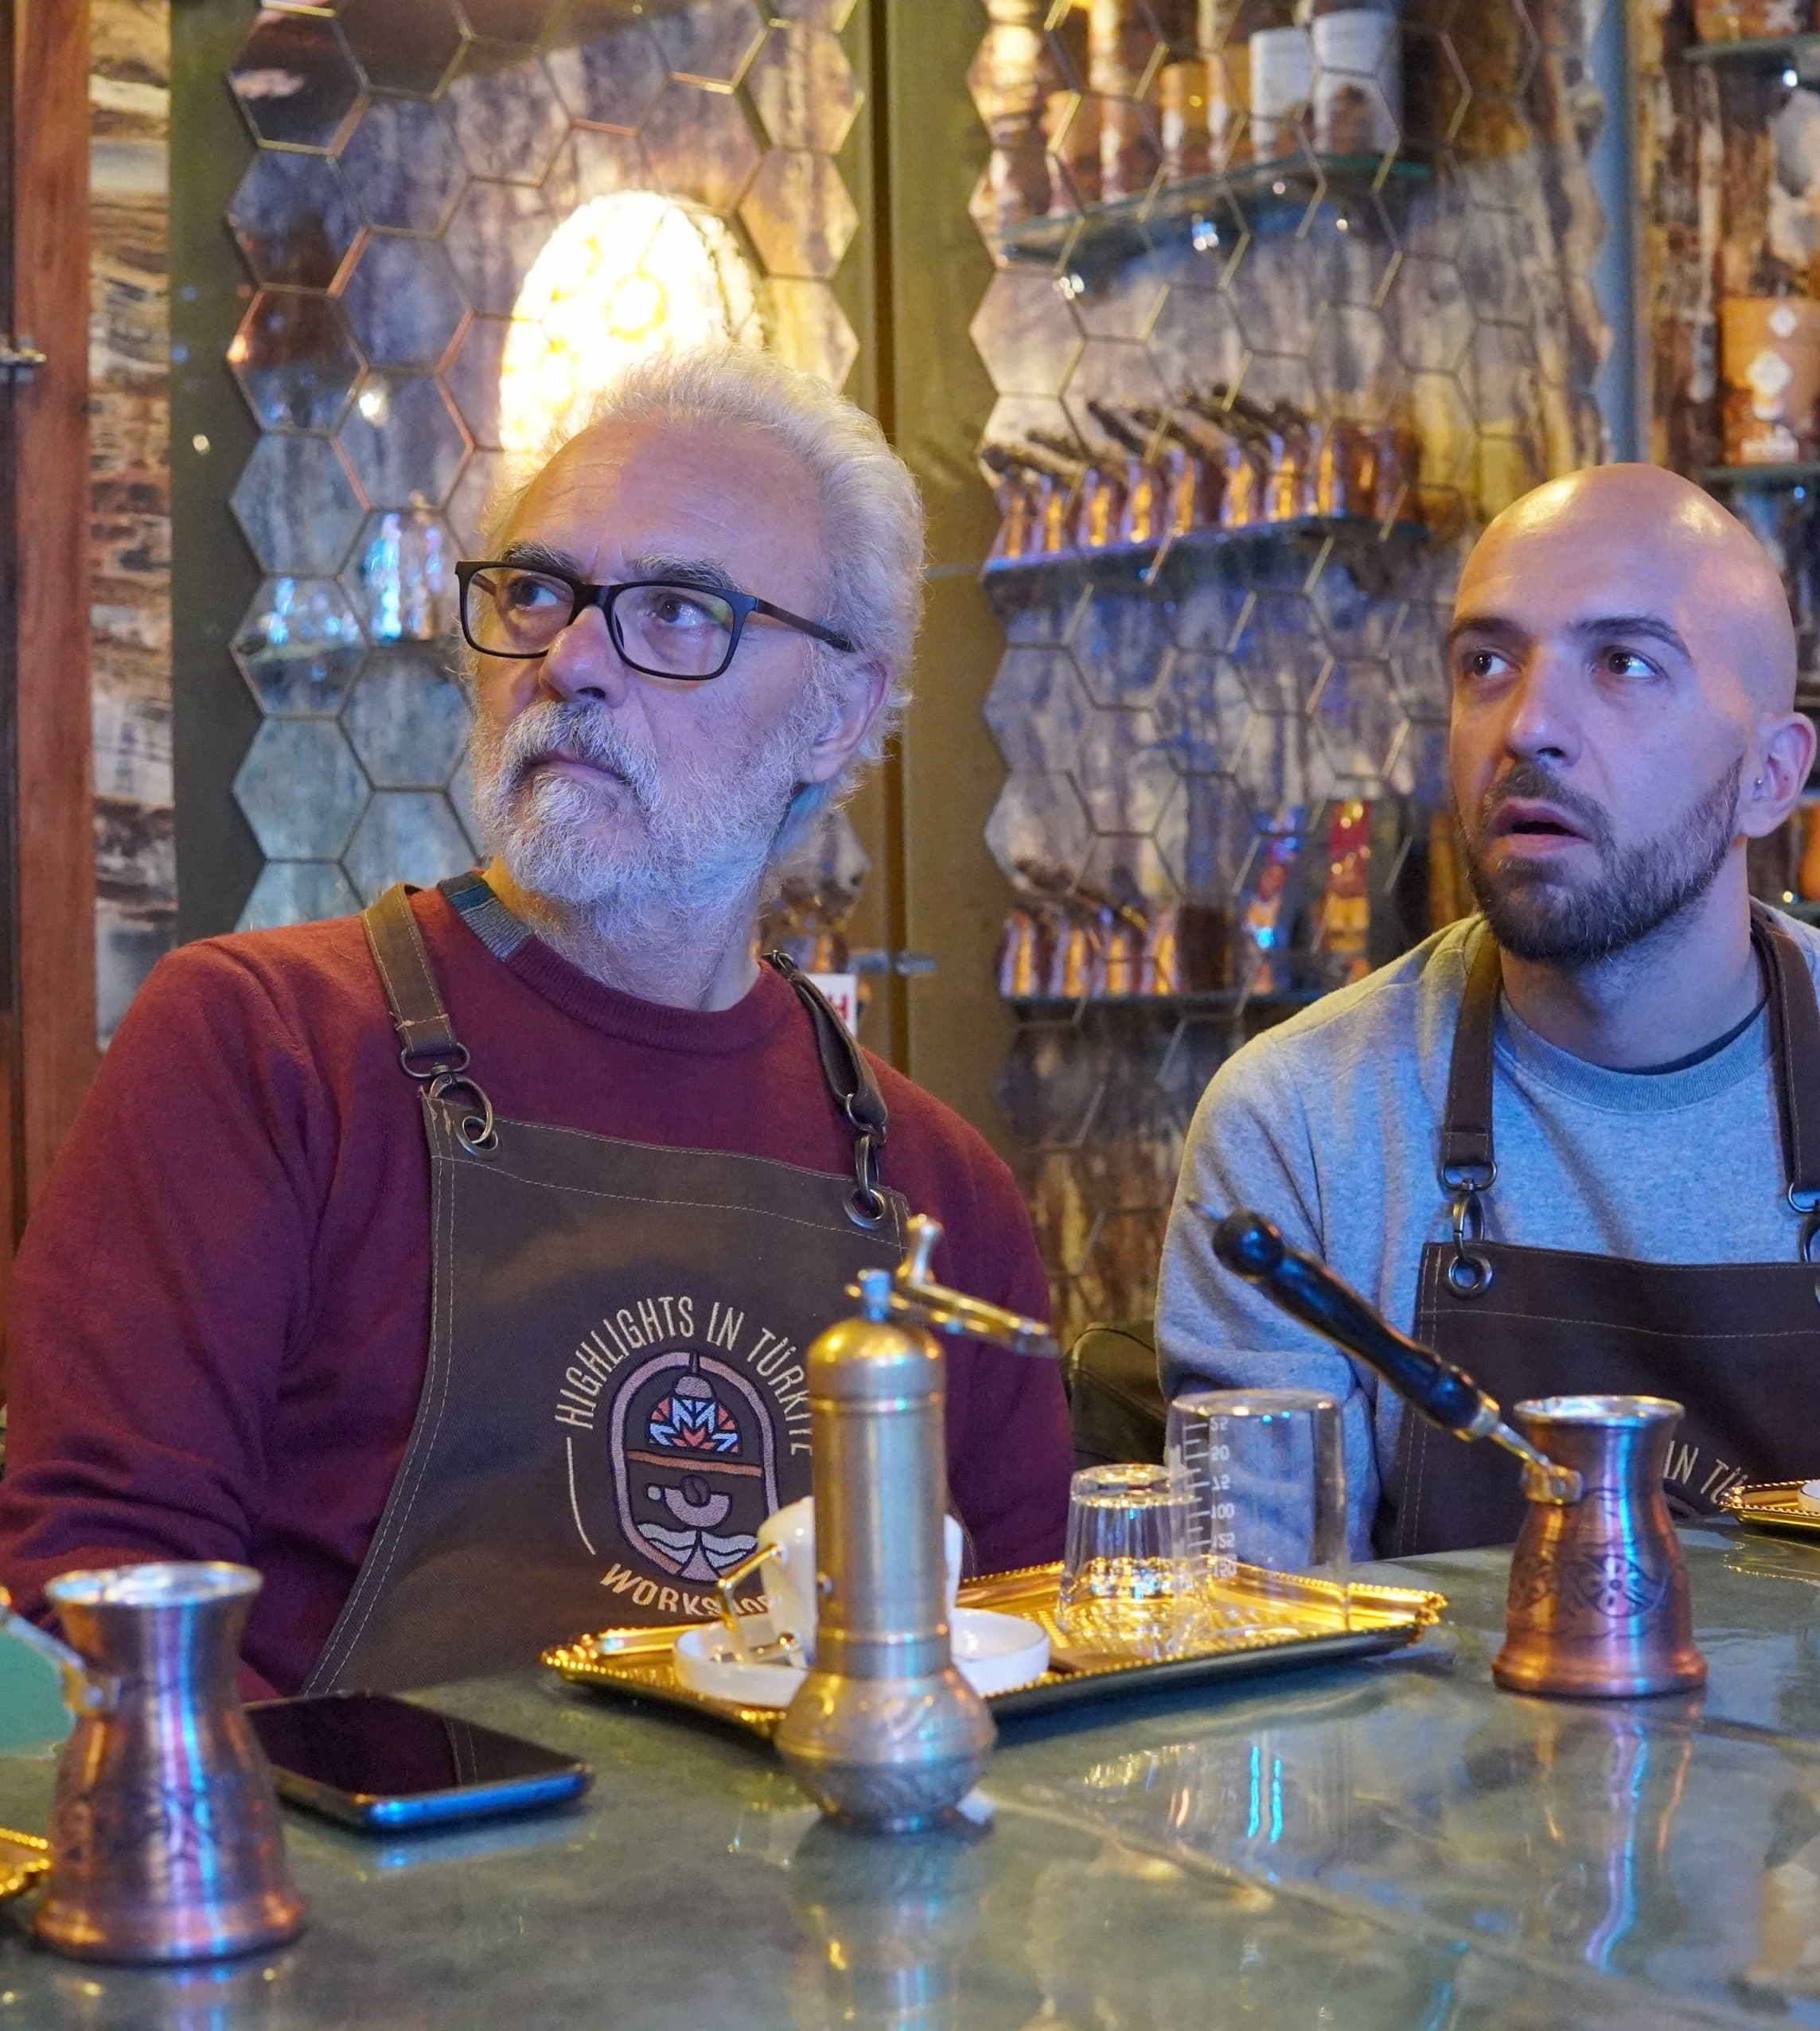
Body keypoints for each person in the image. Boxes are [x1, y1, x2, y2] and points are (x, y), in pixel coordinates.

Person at [0, 347, 1073, 1694]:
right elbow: (99, 1600)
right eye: (536, 590)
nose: (570, 661)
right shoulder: (262, 1045)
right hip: (354, 1886)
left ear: (837, 714)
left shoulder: (936, 1189)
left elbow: (1034, 1663)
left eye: (679, 610)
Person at [1158, 463, 1820, 1557]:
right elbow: (1254, 1640)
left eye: (1624, 663)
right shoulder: (1299, 1126)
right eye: (1487, 663)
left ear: (1770, 776)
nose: (1529, 726)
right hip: (1447, 1733)